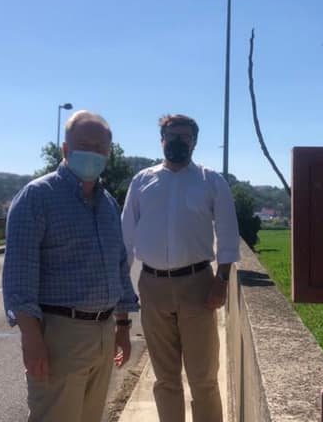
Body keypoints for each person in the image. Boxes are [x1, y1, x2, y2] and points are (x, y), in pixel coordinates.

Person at [2, 110, 138, 422]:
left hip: (104, 333)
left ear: (108, 153)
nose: (92, 153)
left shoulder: (107, 204)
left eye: (100, 148)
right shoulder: (37, 197)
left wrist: (123, 326)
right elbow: (18, 276)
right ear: (65, 150)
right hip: (60, 334)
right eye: (84, 145)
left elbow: (118, 266)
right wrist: (31, 339)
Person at [121, 113, 241, 422]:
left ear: (194, 142)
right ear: (162, 140)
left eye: (184, 137)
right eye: (172, 136)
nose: (177, 142)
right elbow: (126, 238)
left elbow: (227, 234)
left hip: (198, 285)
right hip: (153, 286)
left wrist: (221, 281)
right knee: (165, 379)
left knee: (203, 378)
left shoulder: (210, 181)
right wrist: (122, 291)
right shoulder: (142, 181)